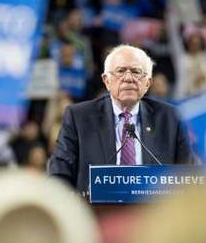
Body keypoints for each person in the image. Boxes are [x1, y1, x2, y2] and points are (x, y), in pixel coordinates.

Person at [48, 44, 194, 195]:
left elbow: (190, 174)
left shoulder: (170, 118)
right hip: (97, 214)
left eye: (136, 72)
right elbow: (59, 174)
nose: (129, 78)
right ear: (106, 81)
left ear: (147, 84)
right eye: (121, 71)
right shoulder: (79, 117)